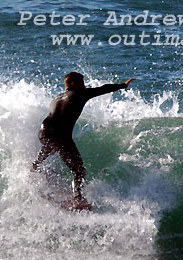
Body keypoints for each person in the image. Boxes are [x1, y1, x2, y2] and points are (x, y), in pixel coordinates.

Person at [31, 72, 136, 210]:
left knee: (50, 144)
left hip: (43, 130)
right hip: (59, 134)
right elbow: (103, 89)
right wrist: (123, 85)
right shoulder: (79, 94)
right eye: (82, 82)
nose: (84, 85)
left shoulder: (56, 98)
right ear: (73, 83)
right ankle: (78, 200)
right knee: (79, 170)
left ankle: (35, 165)